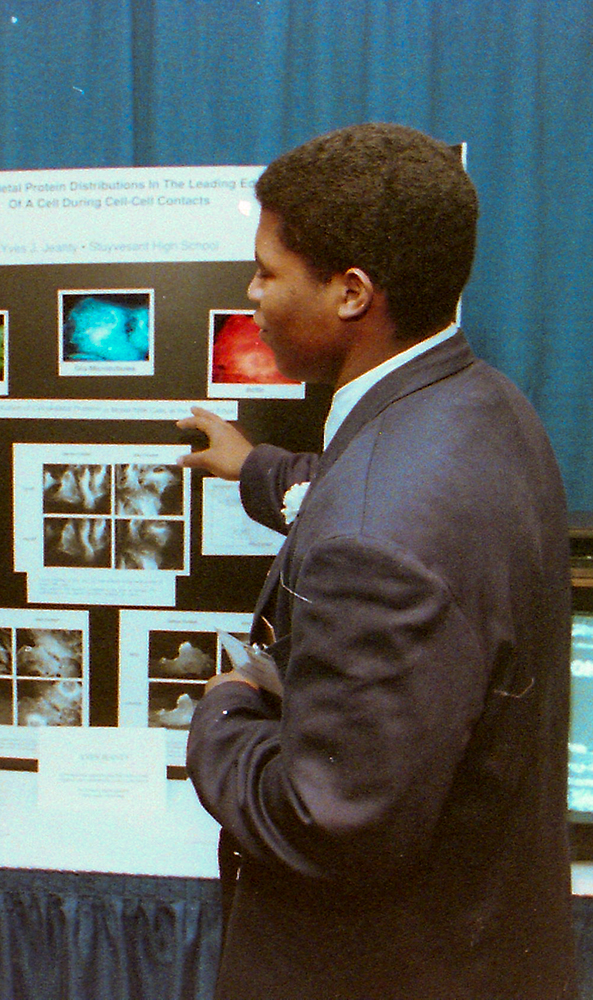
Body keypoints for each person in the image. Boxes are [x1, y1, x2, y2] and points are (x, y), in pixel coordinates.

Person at [179, 123, 576, 999]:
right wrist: (256, 467)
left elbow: (327, 828)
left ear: (351, 293)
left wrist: (225, 715)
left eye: (268, 272)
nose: (251, 294)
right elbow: (369, 489)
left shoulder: (376, 532)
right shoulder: (486, 407)